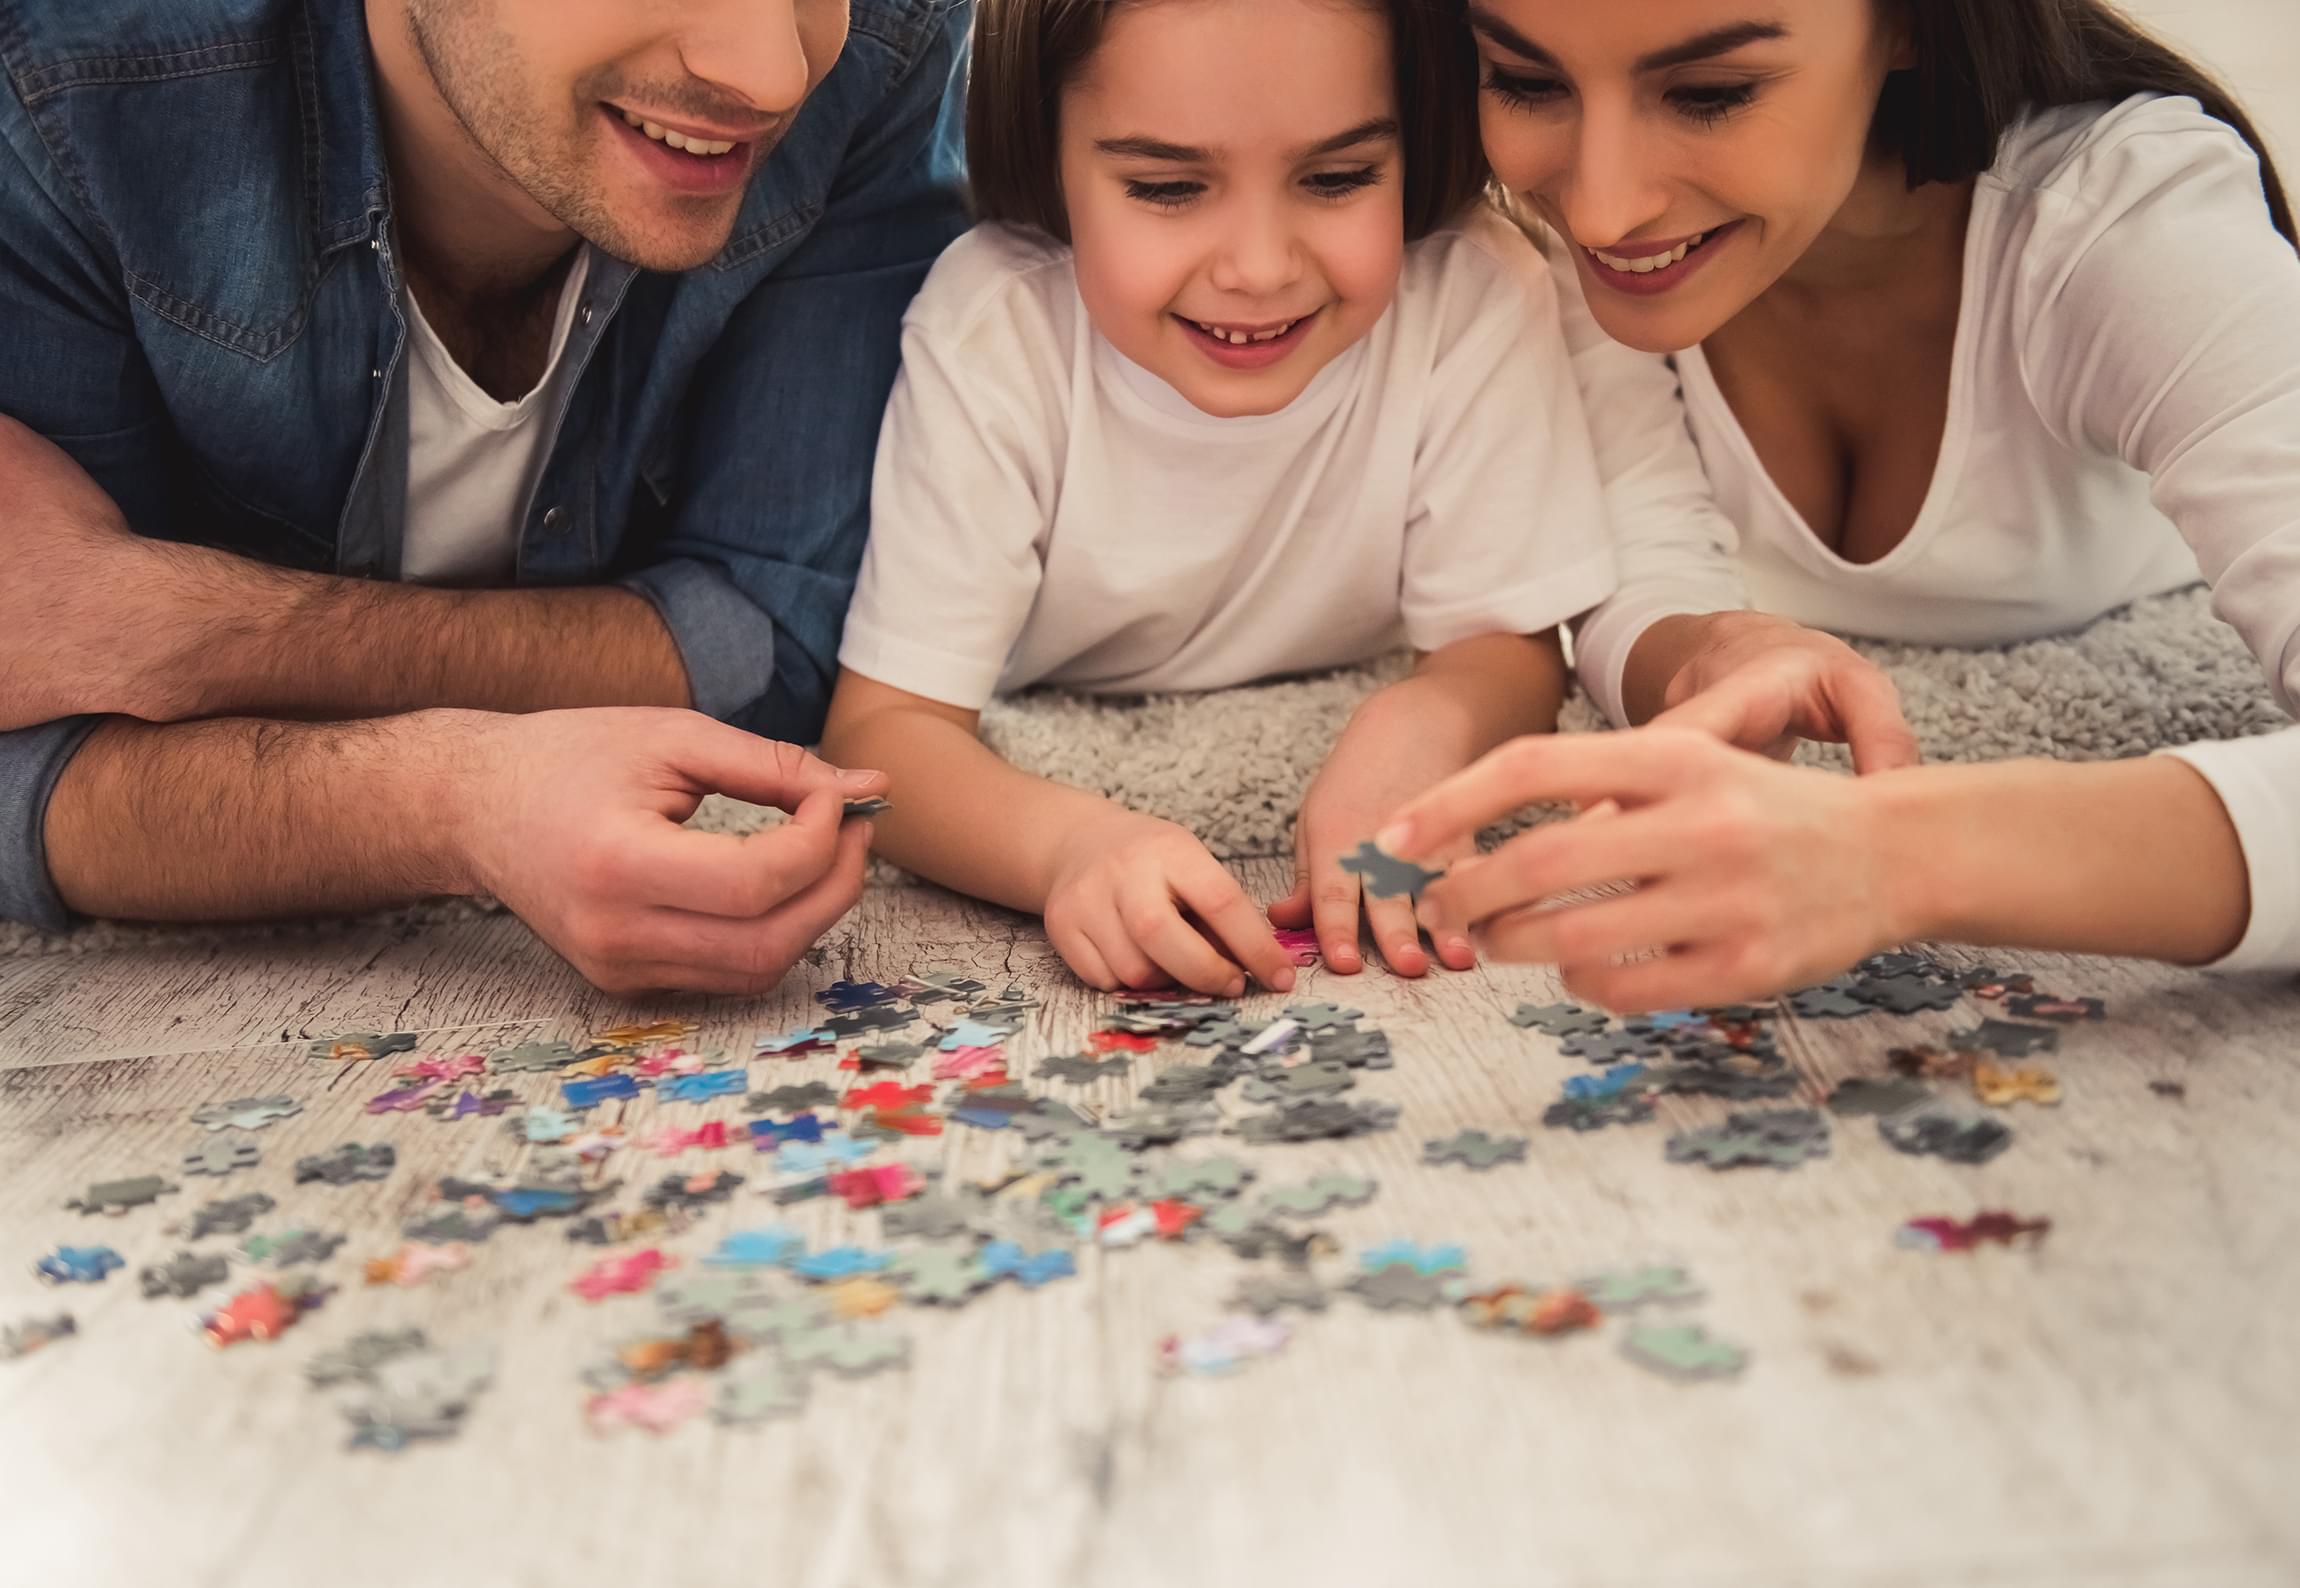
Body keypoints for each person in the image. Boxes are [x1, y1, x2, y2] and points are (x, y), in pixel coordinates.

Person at [0, 0, 971, 994]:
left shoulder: (882, 42)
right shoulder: (60, 82)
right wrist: (459, 803)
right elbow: (22, 754)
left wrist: (198, 633)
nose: (774, 74)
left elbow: (779, 633)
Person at [1379, 0, 2300, 1010]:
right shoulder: (1553, 251)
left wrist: (1899, 855)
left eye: (1711, 93)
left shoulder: (2121, 218)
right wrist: (1712, 646)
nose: (1600, 210)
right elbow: (1634, 570)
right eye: (1526, 82)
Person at [819, 0, 1626, 997]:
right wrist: (1069, 847)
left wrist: (1423, 727)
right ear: (1047, 154)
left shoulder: (1472, 293)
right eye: (1166, 187)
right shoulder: (994, 329)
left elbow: (1504, 646)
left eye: (1337, 178)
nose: (1258, 268)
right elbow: (884, 735)